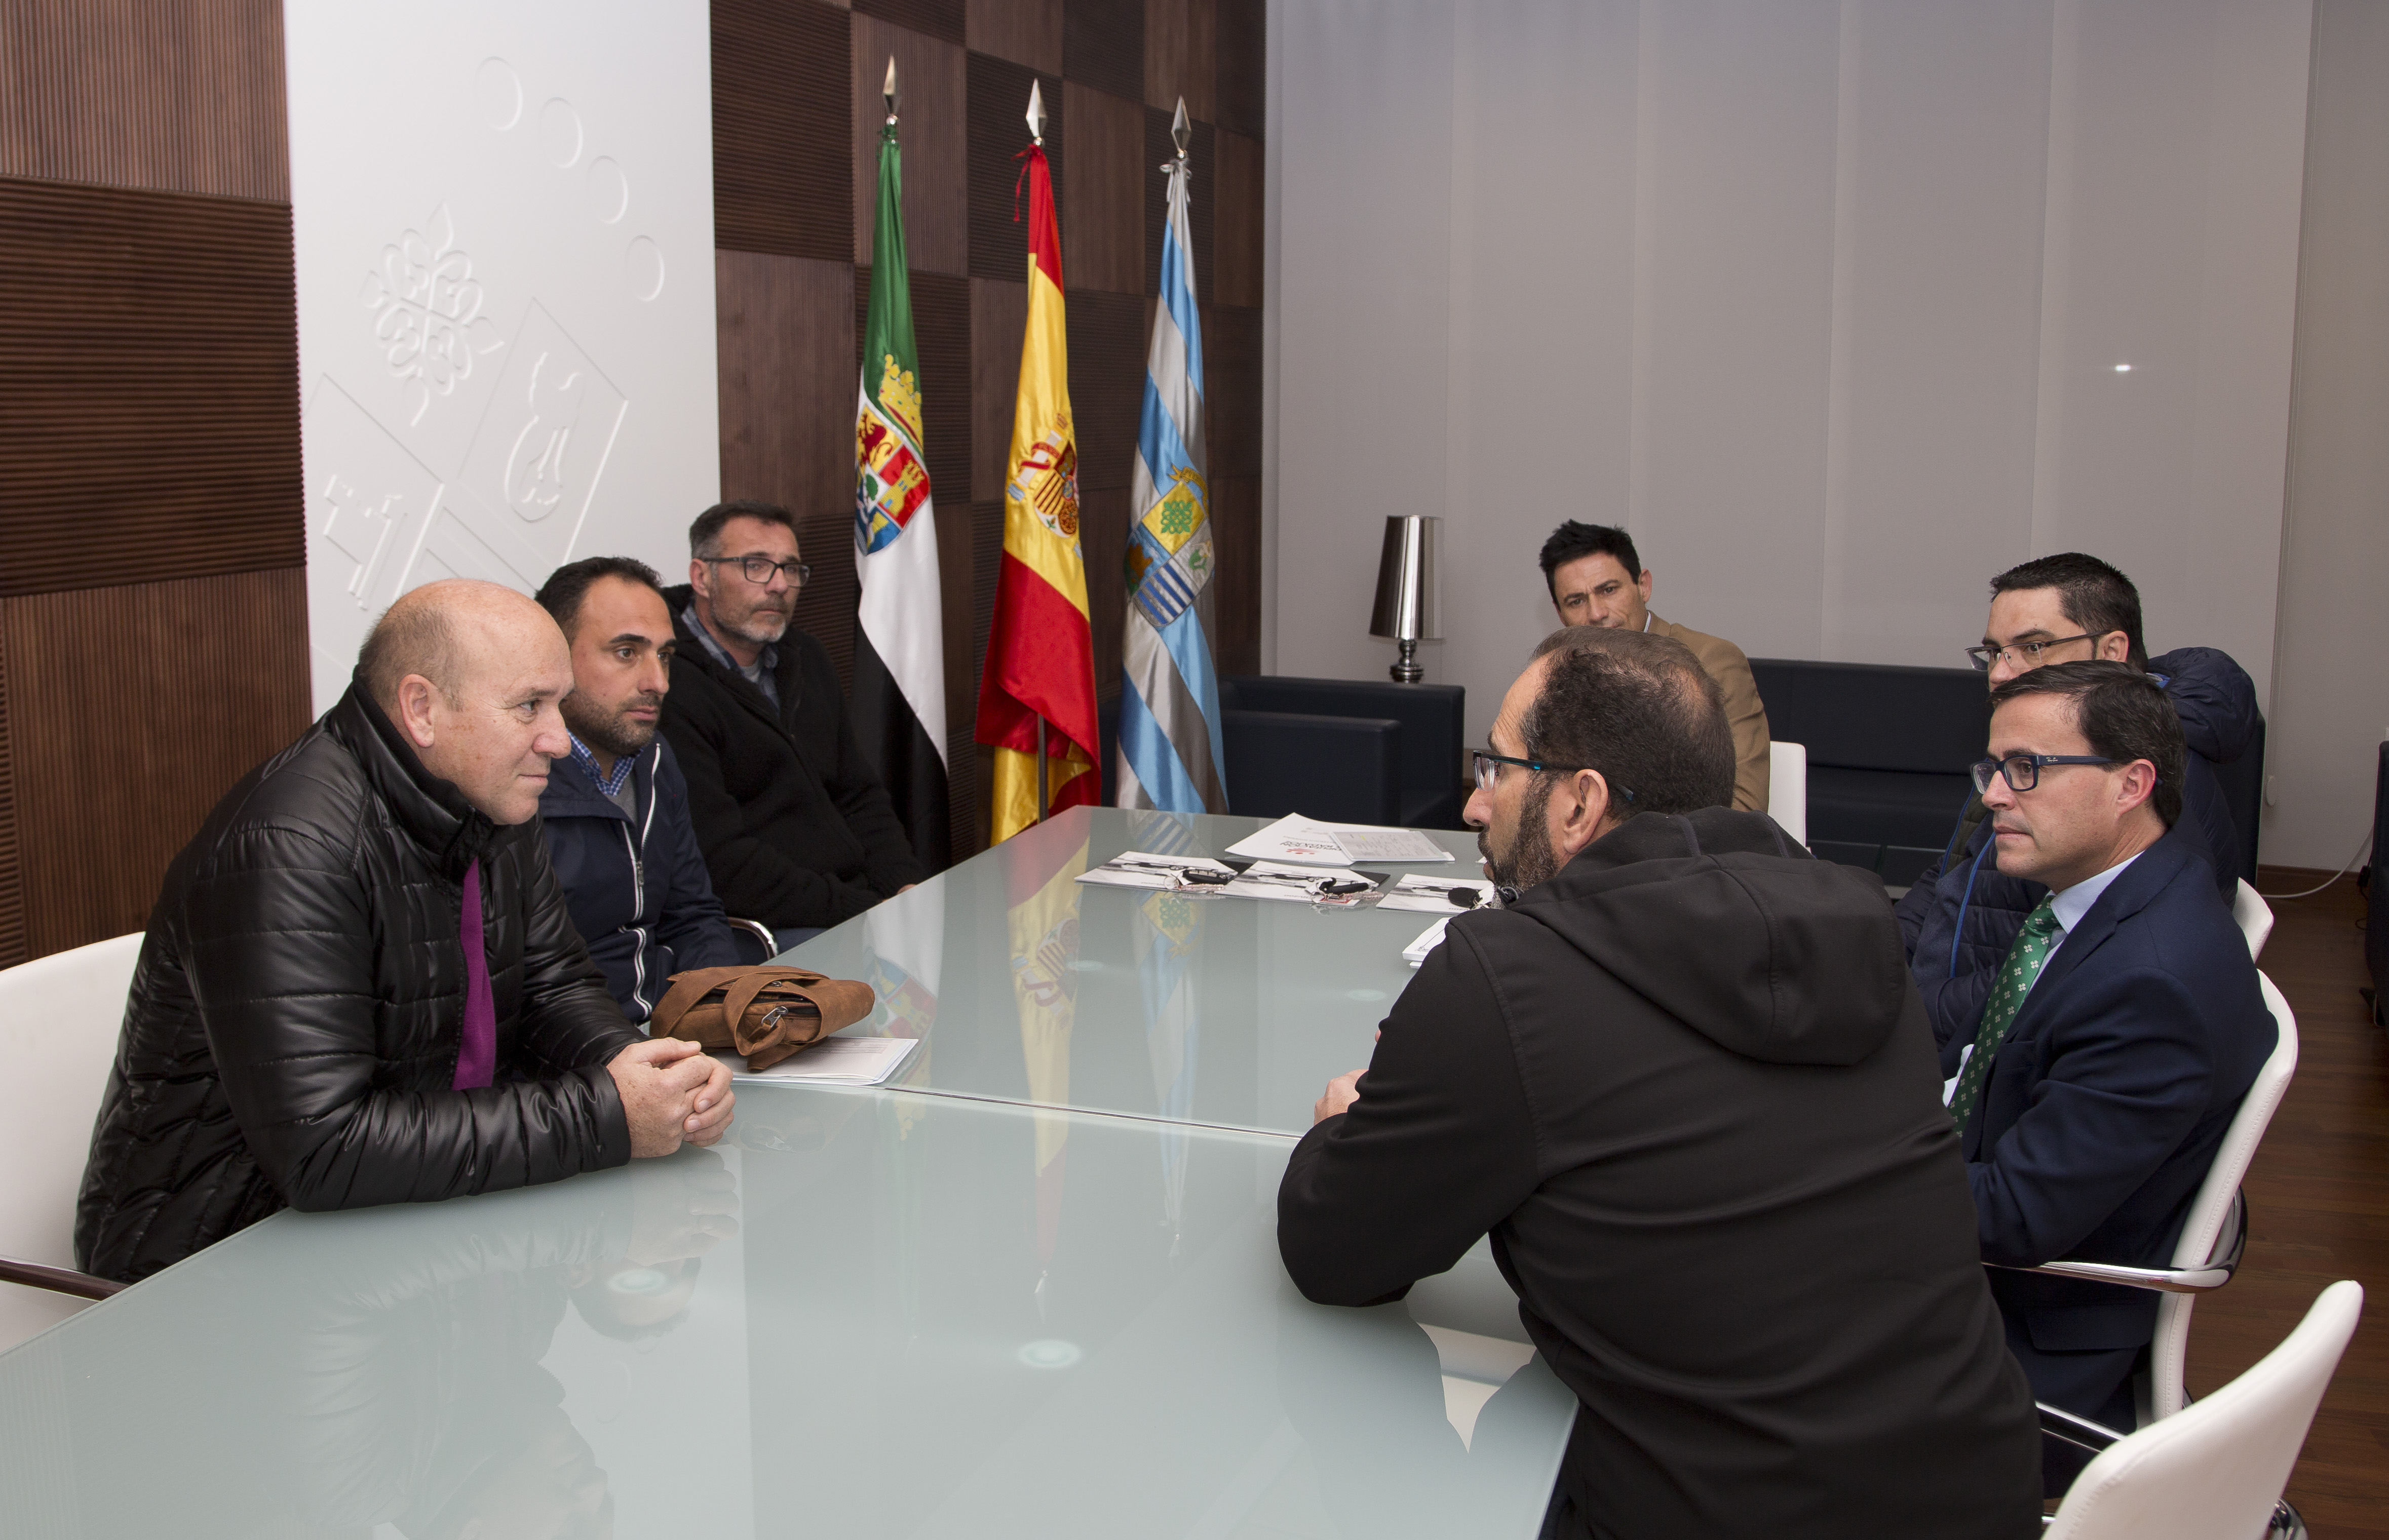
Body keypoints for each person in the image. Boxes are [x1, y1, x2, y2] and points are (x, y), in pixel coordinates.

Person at [1277, 626, 2040, 1540]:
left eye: (1497, 768)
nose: (1477, 804)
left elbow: (1335, 1254)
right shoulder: (1856, 928)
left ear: (1579, 803)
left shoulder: (1509, 978)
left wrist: (1343, 1122)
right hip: (1980, 1497)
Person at [75, 579, 736, 1284]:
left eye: (559, 702)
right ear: (421, 709)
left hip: (408, 1219)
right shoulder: (285, 847)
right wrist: (606, 1114)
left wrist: (650, 1074)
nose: (559, 738)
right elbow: (324, 1148)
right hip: (214, 1261)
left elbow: (556, 986)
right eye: (529, 706)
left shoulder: (493, 791)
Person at [1947, 661, 2274, 1450]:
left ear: (2133, 784)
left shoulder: (2152, 985)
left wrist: (1841, 1167)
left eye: (2027, 769)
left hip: (2021, 1343)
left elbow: (2014, 1217)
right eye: (1994, 768)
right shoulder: (2138, 891)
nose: (1995, 795)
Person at [1898, 552, 2260, 1045]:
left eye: (2034, 646)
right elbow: (1952, 876)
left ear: (2111, 652)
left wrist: (1900, 1008)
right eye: (1995, 652)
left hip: (1977, 1044)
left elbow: (2058, 976)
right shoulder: (2040, 745)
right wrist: (1872, 956)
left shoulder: (2134, 777)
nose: (2001, 672)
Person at [660, 500, 924, 951]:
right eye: (756, 566)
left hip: (851, 902)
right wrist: (865, 911)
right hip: (769, 925)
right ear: (702, 577)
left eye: (791, 568)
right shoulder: (668, 684)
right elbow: (723, 862)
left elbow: (859, 795)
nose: (780, 585)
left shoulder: (807, 657)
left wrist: (903, 887)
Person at [533, 556, 742, 1021]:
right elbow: (523, 983)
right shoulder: (516, 781)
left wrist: (724, 1009)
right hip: (584, 1044)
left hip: (669, 1023)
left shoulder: (655, 756)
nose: (659, 682)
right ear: (553, 657)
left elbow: (694, 915)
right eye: (627, 652)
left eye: (664, 656)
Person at [1538, 520, 1771, 812]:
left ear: (1644, 586)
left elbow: (1744, 807)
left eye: (1609, 590)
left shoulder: (1712, 662)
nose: (1596, 613)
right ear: (1560, 614)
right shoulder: (1557, 679)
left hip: (1685, 841)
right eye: (1576, 601)